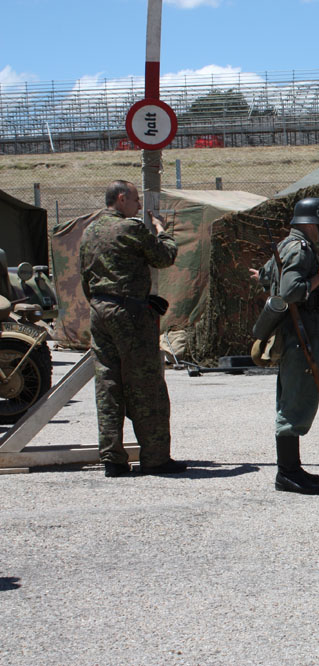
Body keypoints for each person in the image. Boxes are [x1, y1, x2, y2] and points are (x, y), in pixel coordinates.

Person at [79, 180, 183, 477]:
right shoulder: (130, 228)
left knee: (108, 385)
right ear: (121, 198)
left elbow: (85, 276)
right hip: (130, 314)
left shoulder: (90, 231)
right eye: (136, 200)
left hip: (100, 310)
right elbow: (165, 256)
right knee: (146, 385)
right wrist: (162, 230)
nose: (139, 206)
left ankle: (113, 459)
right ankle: (155, 458)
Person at [252, 197, 319, 495]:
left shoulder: (287, 245)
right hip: (300, 336)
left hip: (294, 333)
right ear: (312, 223)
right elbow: (290, 291)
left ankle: (293, 468)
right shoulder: (301, 249)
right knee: (296, 401)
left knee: (293, 398)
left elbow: (265, 275)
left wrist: (266, 278)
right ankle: (286, 473)